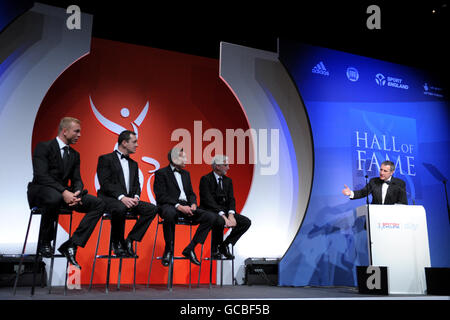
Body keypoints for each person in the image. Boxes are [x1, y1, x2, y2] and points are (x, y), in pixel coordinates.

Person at [27, 117, 105, 269]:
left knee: (98, 204)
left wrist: (76, 192)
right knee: (54, 198)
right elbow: (41, 175)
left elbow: (77, 179)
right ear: (65, 131)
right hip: (41, 191)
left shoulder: (75, 155)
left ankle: (71, 244)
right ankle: (45, 241)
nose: (79, 135)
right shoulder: (44, 147)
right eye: (76, 131)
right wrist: (64, 192)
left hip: (64, 195)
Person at [96, 130, 158, 257]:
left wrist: (135, 197)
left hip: (129, 199)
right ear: (124, 143)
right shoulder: (105, 159)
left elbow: (136, 184)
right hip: (110, 198)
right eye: (134, 142)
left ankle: (130, 239)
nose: (137, 145)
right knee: (120, 207)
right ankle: (117, 242)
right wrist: (122, 197)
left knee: (152, 209)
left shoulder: (134, 164)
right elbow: (105, 183)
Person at [153, 148, 215, 266]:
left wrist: (193, 204)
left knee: (210, 217)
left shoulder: (186, 174)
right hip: (170, 205)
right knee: (169, 214)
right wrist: (178, 206)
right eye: (183, 157)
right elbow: (161, 196)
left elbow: (191, 193)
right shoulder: (161, 173)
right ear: (175, 159)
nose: (186, 160)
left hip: (187, 206)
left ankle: (190, 248)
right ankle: (169, 249)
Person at [199, 155, 251, 259]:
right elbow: (208, 201)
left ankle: (225, 244)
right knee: (219, 220)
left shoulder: (228, 181)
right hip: (211, 210)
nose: (228, 167)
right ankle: (215, 249)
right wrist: (223, 216)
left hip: (226, 211)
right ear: (218, 166)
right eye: (226, 165)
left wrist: (231, 215)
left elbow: (231, 199)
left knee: (245, 222)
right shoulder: (205, 179)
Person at [342, 160, 407, 205]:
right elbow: (363, 192)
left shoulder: (400, 183)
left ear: (392, 172)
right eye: (381, 170)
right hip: (374, 216)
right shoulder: (374, 181)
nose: (381, 173)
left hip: (392, 218)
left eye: (385, 171)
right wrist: (351, 193)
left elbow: (402, 202)